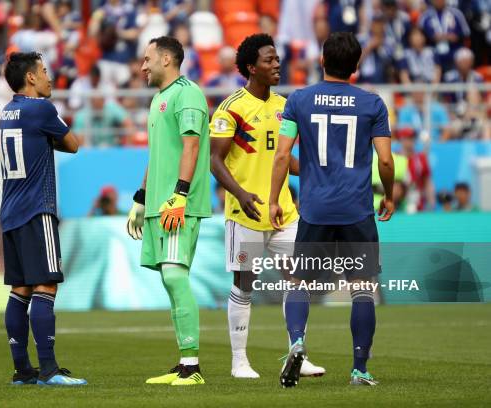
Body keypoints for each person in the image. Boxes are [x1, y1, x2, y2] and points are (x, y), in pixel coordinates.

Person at [270, 32, 395, 387]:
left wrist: (275, 198)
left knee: (299, 282)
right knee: (362, 287)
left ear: (322, 60)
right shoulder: (373, 104)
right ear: (356, 66)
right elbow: (385, 160)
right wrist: (389, 195)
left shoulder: (299, 100)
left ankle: (296, 342)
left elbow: (281, 155)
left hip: (314, 210)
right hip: (356, 210)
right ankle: (359, 369)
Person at [209, 33, 324, 380]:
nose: (277, 64)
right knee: (245, 284)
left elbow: (286, 160)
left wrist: (320, 171)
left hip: (283, 212)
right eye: (269, 60)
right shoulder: (231, 108)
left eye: (277, 59)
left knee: (298, 279)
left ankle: (297, 354)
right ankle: (239, 361)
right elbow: (214, 160)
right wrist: (241, 194)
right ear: (250, 67)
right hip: (246, 214)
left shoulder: (284, 106)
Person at [126, 36, 211, 386]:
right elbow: (157, 154)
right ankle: (183, 362)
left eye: (147, 59)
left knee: (176, 276)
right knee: (168, 280)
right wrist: (141, 197)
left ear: (166, 59)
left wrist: (179, 195)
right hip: (158, 207)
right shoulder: (159, 99)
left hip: (178, 205)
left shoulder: (187, 93)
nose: (142, 66)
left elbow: (191, 146)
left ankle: (193, 367)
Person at [0, 52, 84, 386]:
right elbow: (73, 145)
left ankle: (22, 371)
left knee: (19, 290)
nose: (50, 77)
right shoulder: (42, 109)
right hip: (37, 209)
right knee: (45, 286)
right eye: (45, 71)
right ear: (31, 78)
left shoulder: (7, 112)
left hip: (10, 212)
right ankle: (48, 370)